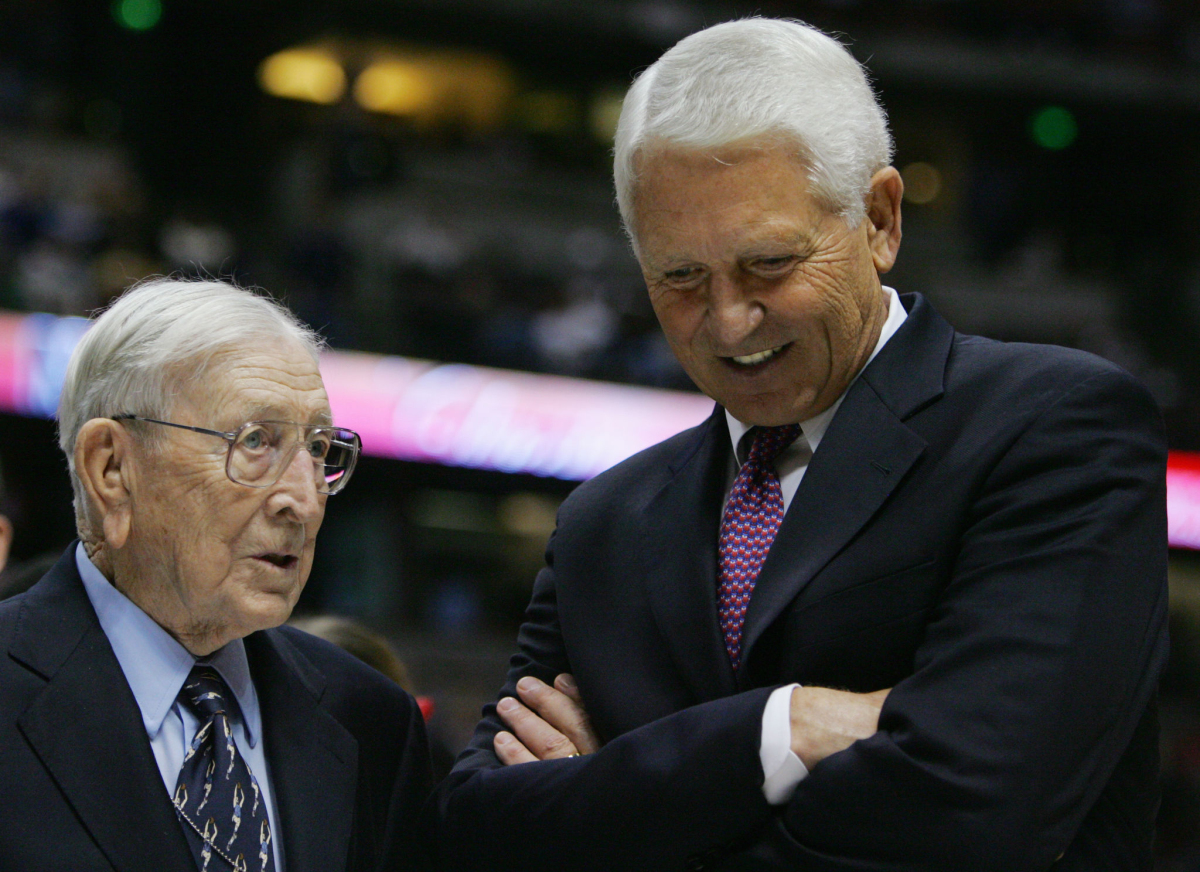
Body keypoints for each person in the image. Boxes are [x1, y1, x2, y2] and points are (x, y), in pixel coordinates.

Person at [432, 18, 1168, 872]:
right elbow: (481, 832)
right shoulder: (603, 523)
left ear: (881, 219)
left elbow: (970, 820)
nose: (729, 320)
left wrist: (629, 799)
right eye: (679, 278)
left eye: (769, 265)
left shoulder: (1056, 428)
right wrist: (787, 729)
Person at [0, 278, 432, 871]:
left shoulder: (371, 720)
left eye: (317, 448)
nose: (303, 502)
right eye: (255, 442)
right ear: (112, 470)